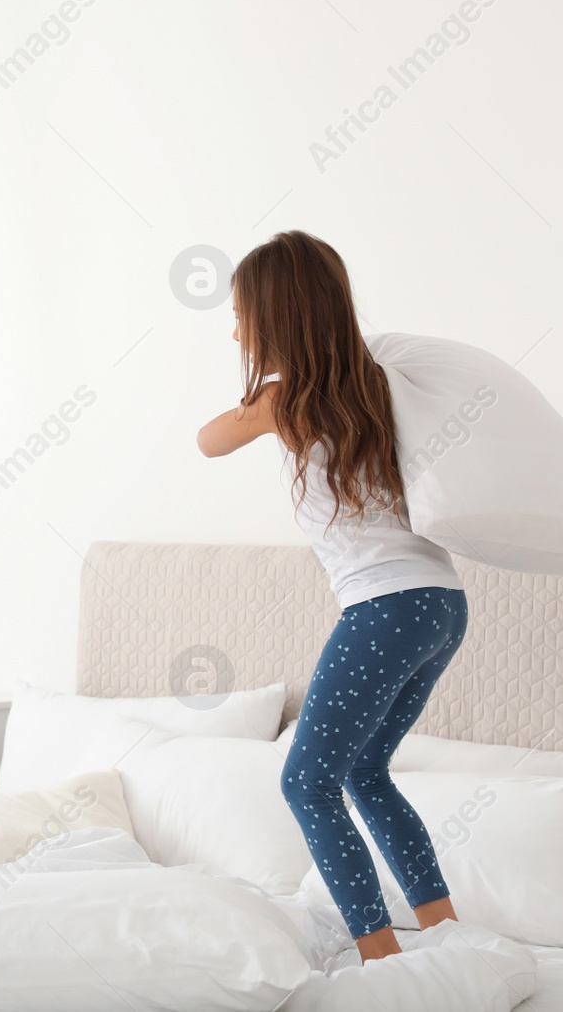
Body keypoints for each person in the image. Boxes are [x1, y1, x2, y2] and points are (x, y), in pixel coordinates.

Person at [197, 230, 469, 964]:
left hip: (386, 606)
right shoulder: (377, 387)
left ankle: (381, 959)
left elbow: (207, 439)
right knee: (365, 771)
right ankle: (446, 936)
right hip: (442, 603)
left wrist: (262, 390)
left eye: (242, 315)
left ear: (278, 321)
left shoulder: (285, 401)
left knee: (306, 781)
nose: (234, 329)